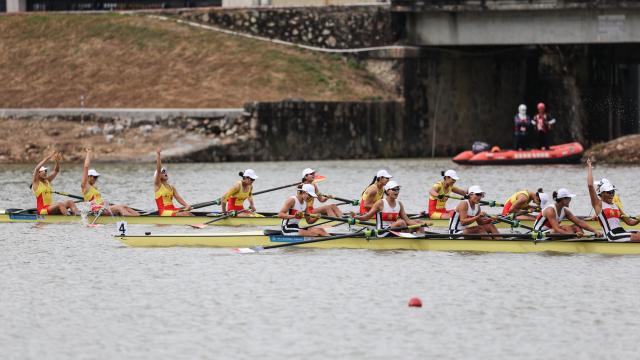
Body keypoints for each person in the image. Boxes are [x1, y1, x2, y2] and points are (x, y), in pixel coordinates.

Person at [587, 158, 640, 242]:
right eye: (609, 192)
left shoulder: (615, 206)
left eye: (612, 192)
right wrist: (589, 166)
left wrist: (638, 219)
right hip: (612, 235)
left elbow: (630, 222)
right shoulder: (598, 204)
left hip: (621, 231)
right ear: (602, 193)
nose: (612, 194)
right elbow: (590, 185)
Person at [81, 148, 139, 216]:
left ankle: (139, 217)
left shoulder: (94, 188)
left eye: (96, 177)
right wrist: (88, 153)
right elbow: (86, 167)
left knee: (125, 207)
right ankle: (131, 220)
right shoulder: (85, 186)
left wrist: (107, 204)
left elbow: (98, 201)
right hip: (95, 210)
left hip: (101, 208)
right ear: (88, 177)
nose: (95, 179)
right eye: (94, 177)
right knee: (120, 208)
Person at [354, 181, 424, 235]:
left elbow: (408, 220)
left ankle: (421, 241)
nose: (397, 191)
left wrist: (421, 224)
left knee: (419, 222)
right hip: (382, 231)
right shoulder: (380, 203)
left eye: (398, 189)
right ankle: (405, 241)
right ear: (387, 191)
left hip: (395, 229)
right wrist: (355, 217)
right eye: (394, 189)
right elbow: (367, 217)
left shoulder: (399, 204)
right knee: (401, 222)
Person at [532, 188, 601, 236]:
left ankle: (581, 242)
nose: (570, 200)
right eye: (569, 198)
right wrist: (573, 234)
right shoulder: (550, 210)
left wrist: (595, 231)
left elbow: (579, 222)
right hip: (539, 234)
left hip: (550, 231)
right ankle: (576, 239)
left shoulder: (565, 211)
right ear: (563, 199)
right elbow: (557, 229)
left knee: (577, 227)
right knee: (559, 229)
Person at [154, 147, 192, 217]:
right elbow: (158, 169)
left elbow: (178, 198)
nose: (165, 173)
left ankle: (197, 221)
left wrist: (187, 205)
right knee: (184, 214)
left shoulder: (171, 187)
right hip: (164, 212)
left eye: (165, 172)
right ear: (158, 176)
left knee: (189, 213)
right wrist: (158, 155)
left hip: (172, 209)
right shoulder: (158, 185)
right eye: (163, 172)